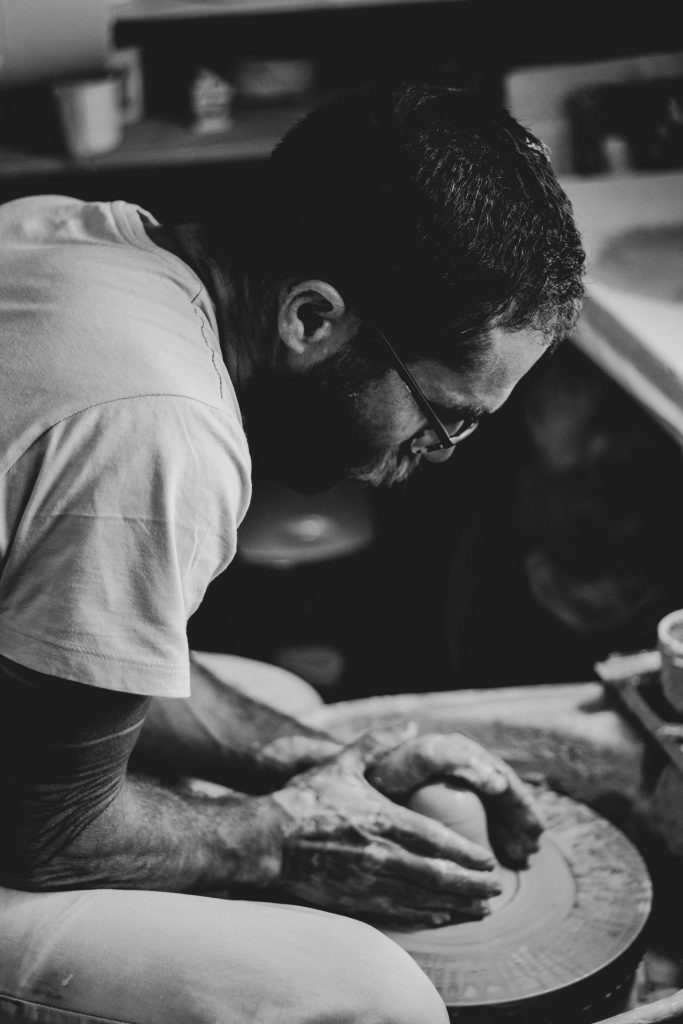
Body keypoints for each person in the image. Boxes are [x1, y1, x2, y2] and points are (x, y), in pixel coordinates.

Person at [0, 84, 584, 1024]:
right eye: (443, 418)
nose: (431, 457)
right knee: (371, 996)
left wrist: (320, 763)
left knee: (287, 708)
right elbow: (44, 831)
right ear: (312, 319)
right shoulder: (160, 430)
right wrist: (283, 841)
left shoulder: (75, 238)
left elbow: (56, 642)